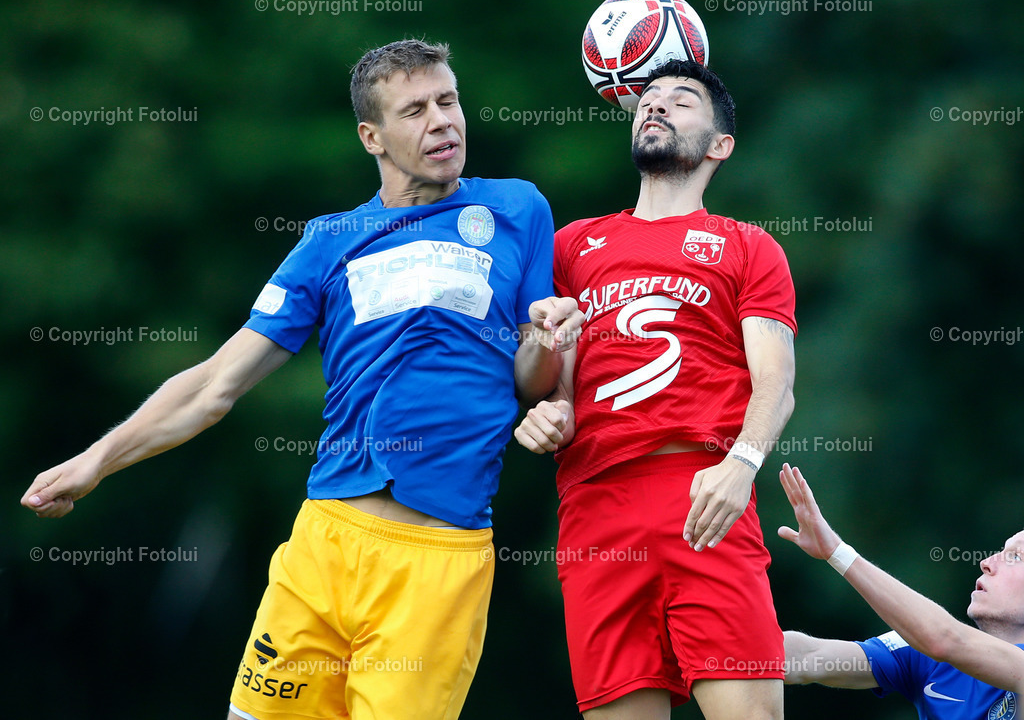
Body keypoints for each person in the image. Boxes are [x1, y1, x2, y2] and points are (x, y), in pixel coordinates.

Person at [21, 39, 582, 720]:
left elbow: (531, 379)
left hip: (437, 558)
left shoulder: (518, 209)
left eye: (448, 100)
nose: (442, 120)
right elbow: (215, 384)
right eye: (415, 110)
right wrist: (96, 460)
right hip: (324, 541)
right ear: (370, 136)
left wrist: (547, 342)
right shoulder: (328, 239)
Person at [515, 58, 796, 719]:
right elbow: (538, 379)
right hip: (595, 506)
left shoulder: (747, 246)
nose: (656, 105)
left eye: (682, 99)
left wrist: (742, 464)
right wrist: (543, 385)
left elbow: (776, 384)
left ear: (720, 145)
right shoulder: (571, 246)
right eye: (648, 97)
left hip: (704, 496)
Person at [779, 463, 1024, 718]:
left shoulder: (946, 645)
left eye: (1016, 556)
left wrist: (837, 552)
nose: (986, 562)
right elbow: (808, 656)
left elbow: (944, 639)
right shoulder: (925, 657)